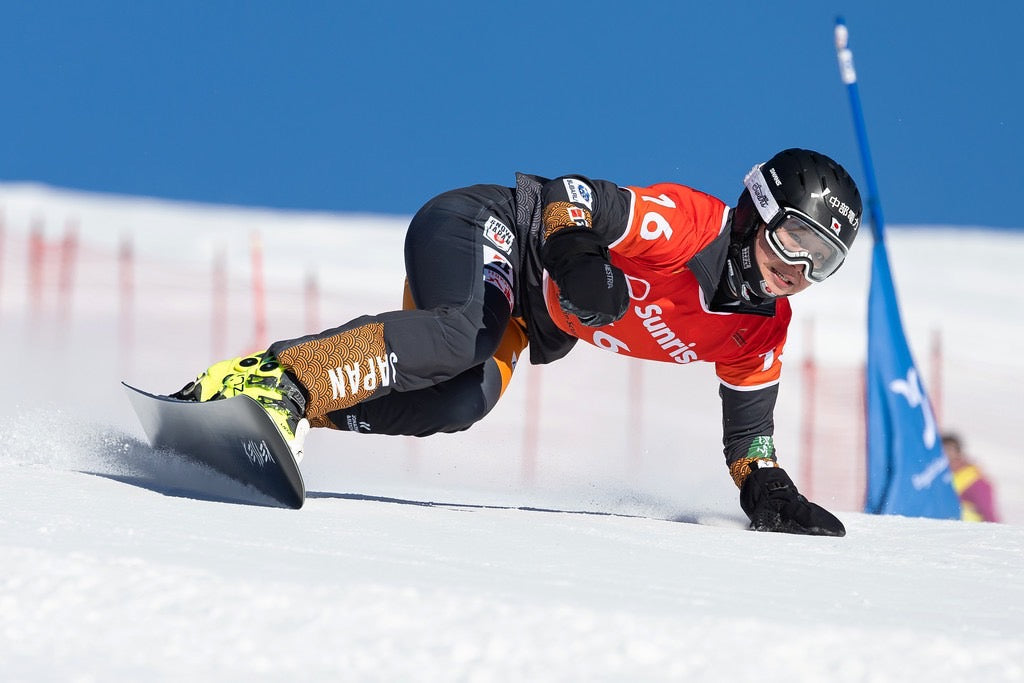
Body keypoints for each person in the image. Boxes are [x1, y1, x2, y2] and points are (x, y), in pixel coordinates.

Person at [172, 148, 862, 536]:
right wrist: (577, 259)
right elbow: (572, 196)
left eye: (822, 262)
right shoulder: (692, 226)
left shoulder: (760, 329)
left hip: (525, 315)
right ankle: (274, 378)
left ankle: (270, 410)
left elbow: (750, 441)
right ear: (756, 213)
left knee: (461, 401)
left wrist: (766, 488)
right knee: (458, 336)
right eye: (796, 239)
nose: (796, 271)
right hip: (492, 226)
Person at [942, 433, 1001, 522]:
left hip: (969, 530)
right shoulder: (938, 476)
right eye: (942, 450)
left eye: (949, 450)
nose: (946, 454)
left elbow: (988, 512)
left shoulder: (975, 480)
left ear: (958, 452)